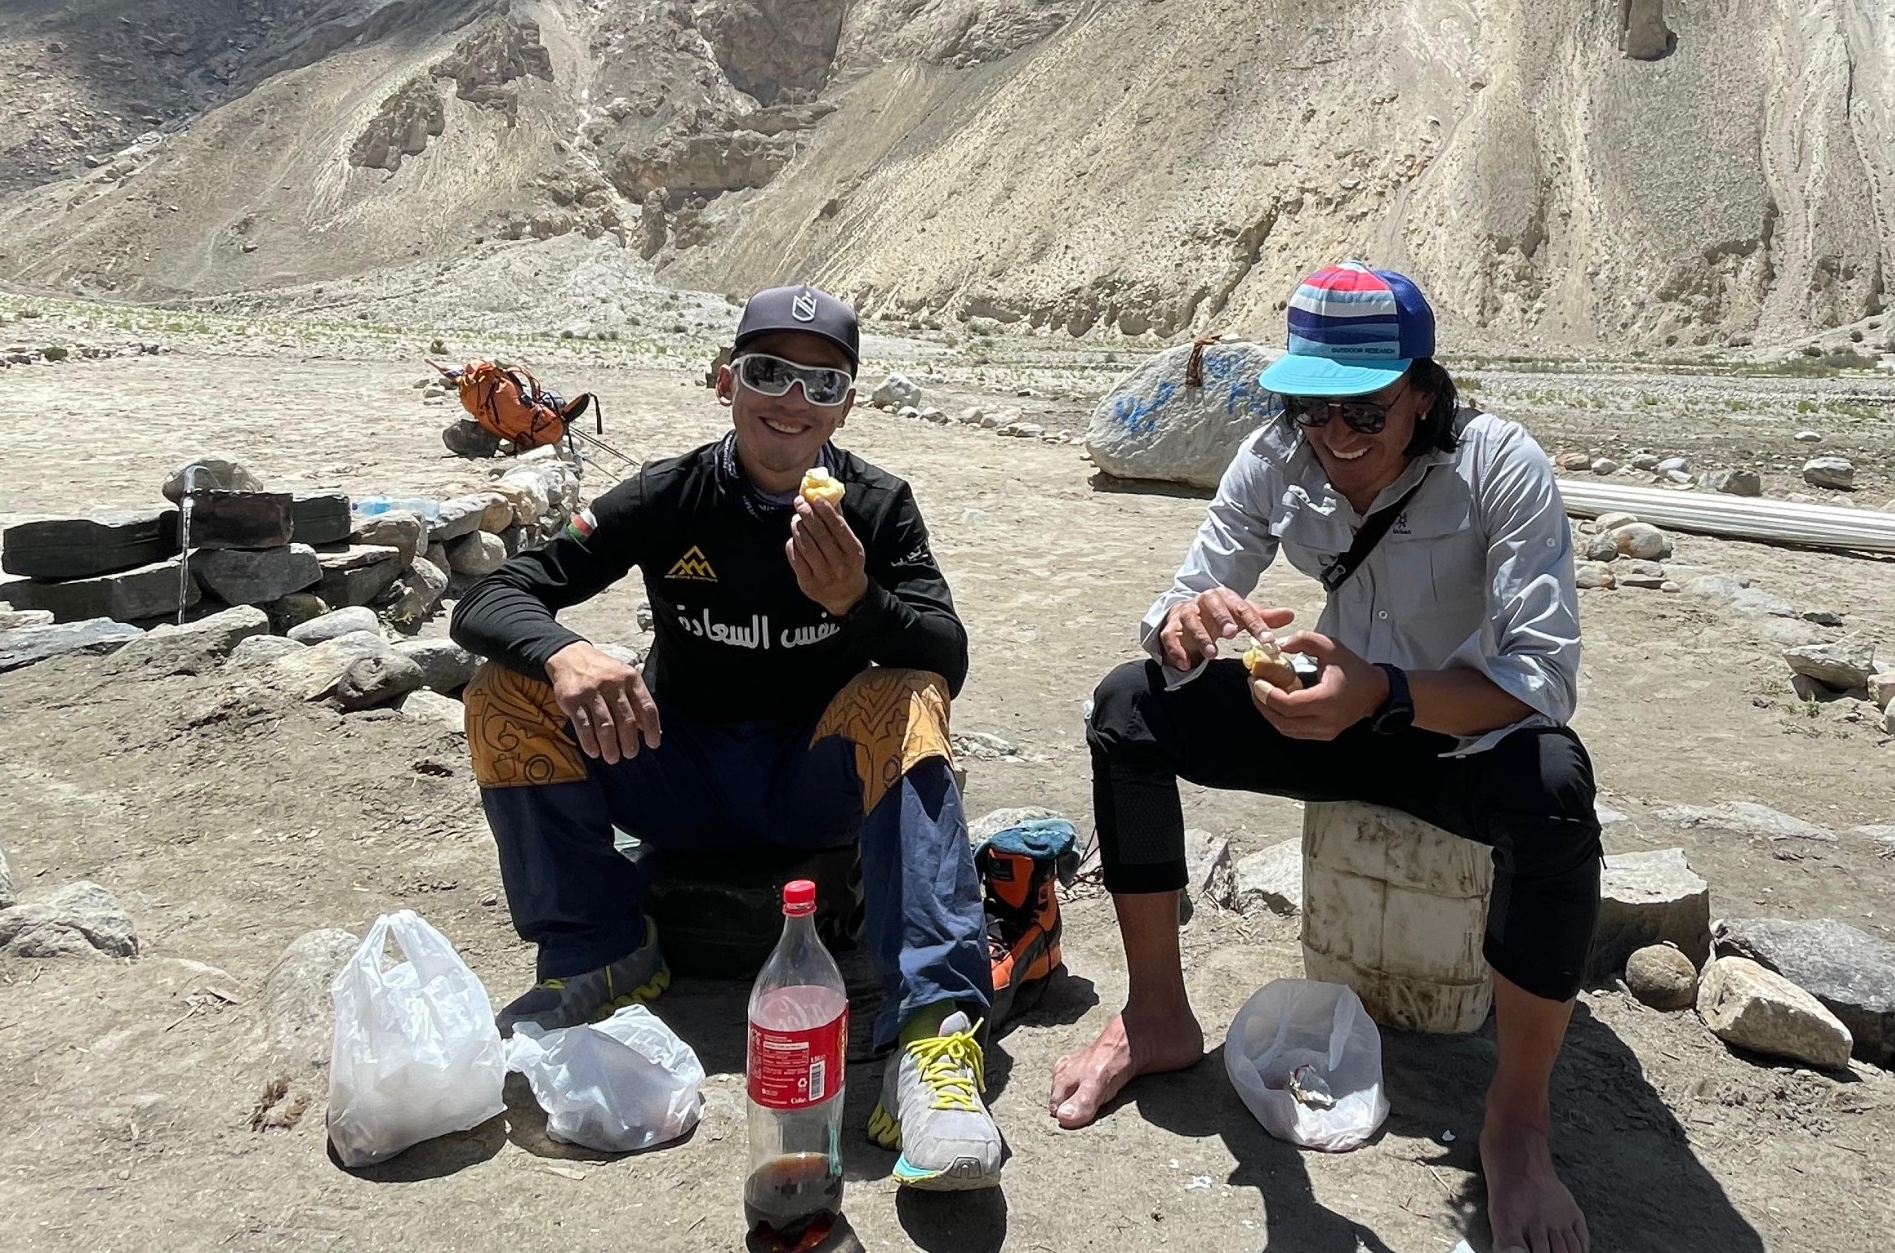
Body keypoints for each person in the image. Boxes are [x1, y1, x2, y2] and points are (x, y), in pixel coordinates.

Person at [1051, 264, 1602, 1253]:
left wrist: (1384, 692)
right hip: (1326, 713)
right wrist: (1184, 626)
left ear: (1422, 395)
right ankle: (1157, 1016)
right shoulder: (1276, 455)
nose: (1335, 437)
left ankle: (1516, 1123)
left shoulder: (1499, 466)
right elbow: (1184, 592)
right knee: (1128, 707)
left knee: (1554, 788)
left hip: (1451, 735)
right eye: (1312, 410)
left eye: (1365, 412)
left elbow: (1541, 679)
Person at [450, 283, 1004, 1190]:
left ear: (847, 406)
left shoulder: (875, 505)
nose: (794, 399)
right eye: (769, 372)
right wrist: (563, 651)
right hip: (677, 774)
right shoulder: (669, 495)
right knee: (503, 690)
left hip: (809, 784)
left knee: (906, 695)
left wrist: (858, 601)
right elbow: (491, 597)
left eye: (823, 384)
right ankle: (600, 950)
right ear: (725, 382)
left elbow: (946, 656)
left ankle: (929, 1040)